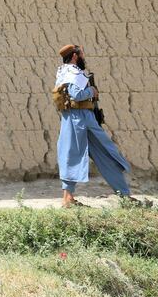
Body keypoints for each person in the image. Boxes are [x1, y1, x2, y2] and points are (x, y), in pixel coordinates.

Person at [54, 44, 144, 208]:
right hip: (78, 119)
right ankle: (67, 200)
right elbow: (76, 94)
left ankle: (124, 195)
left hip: (81, 118)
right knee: (73, 155)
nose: (83, 57)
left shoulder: (63, 72)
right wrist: (92, 92)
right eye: (81, 54)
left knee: (105, 154)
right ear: (75, 56)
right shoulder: (73, 72)